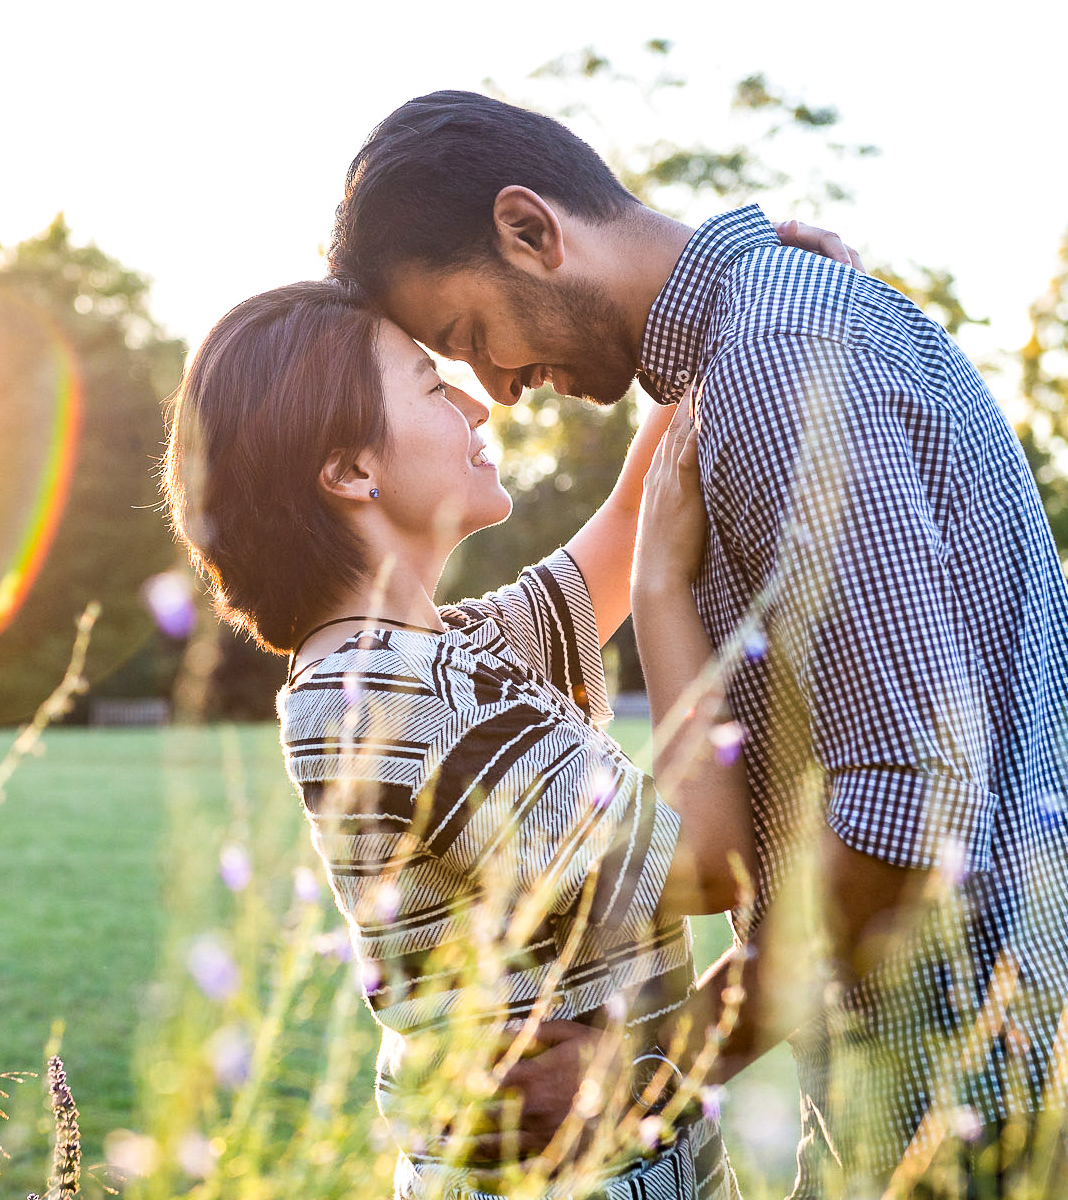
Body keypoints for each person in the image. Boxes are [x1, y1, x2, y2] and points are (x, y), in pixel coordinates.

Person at [323, 90, 1068, 1197]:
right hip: (969, 1066)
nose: (496, 389)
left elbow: (905, 804)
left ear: (529, 229)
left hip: (991, 1076)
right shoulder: (761, 341)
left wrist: (644, 1071)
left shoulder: (772, 356)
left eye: (469, 338)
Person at [159, 256, 847, 1199]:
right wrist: (661, 590)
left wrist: (747, 304)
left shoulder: (440, 657)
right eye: (431, 387)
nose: (479, 408)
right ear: (352, 470)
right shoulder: (400, 700)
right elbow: (708, 861)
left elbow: (630, 515)